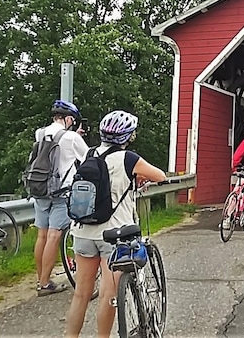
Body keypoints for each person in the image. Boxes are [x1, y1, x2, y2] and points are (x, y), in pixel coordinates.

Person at [65, 110, 167, 337]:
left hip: (82, 232)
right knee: (108, 296)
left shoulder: (88, 154)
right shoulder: (129, 158)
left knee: (81, 294)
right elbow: (160, 175)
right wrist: (139, 176)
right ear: (128, 137)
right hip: (115, 235)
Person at [34, 100, 88, 296]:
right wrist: (77, 139)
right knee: (54, 235)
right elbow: (88, 158)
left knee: (42, 235)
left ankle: (41, 280)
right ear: (67, 119)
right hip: (60, 192)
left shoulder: (39, 133)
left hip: (40, 189)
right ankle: (45, 283)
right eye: (72, 120)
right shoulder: (71, 137)